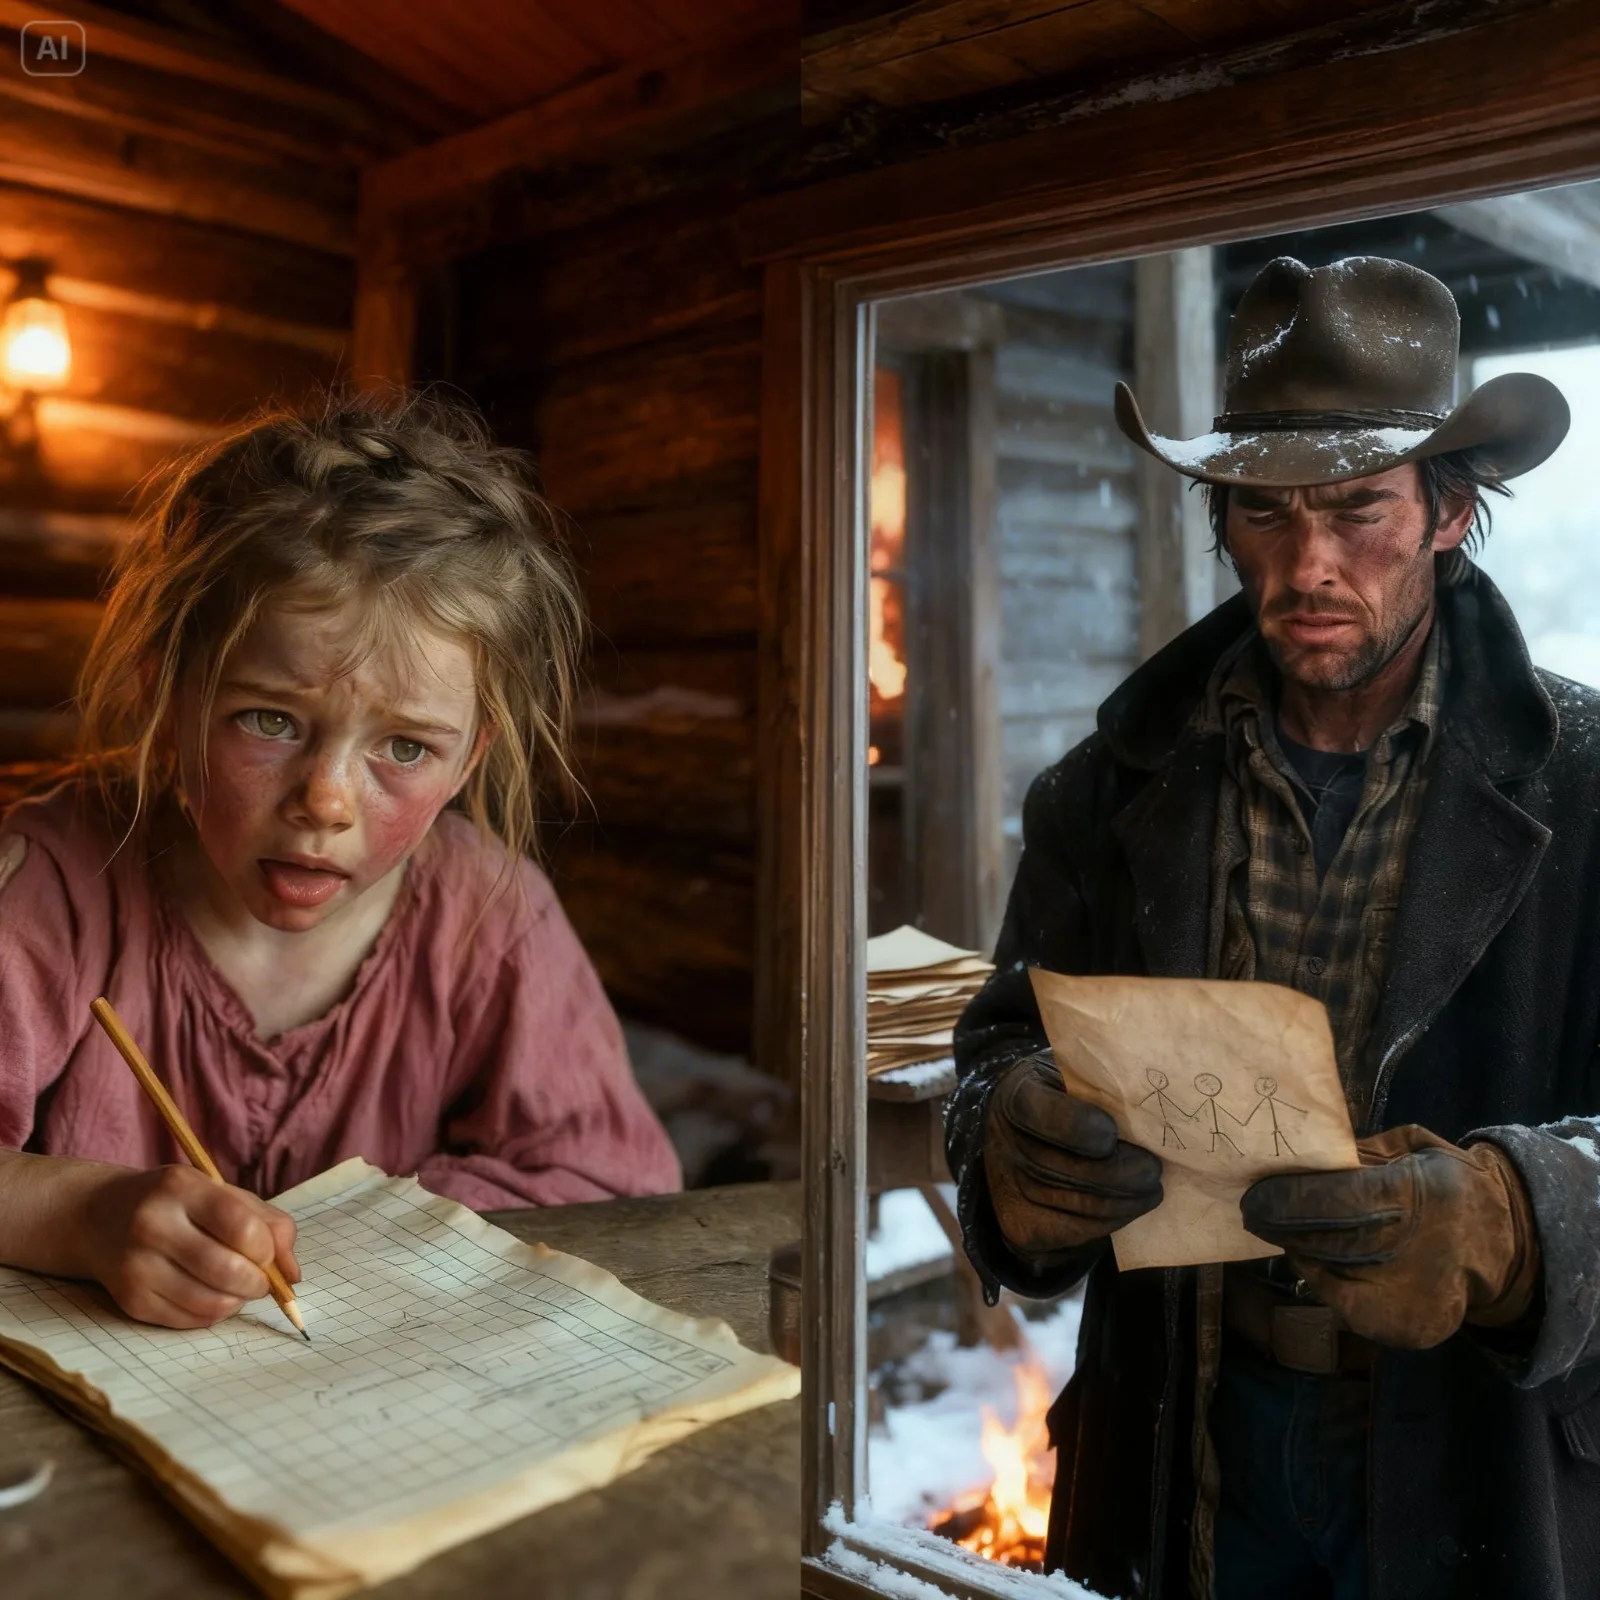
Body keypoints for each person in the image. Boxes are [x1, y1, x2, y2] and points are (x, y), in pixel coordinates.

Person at [948, 255, 1600, 1599]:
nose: (1307, 567)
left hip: (1474, 1448)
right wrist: (1010, 1139)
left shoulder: (1588, 789)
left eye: (1358, 510)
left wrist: (1514, 1218)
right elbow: (1000, 1053)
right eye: (1263, 511)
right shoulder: (1104, 788)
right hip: (1186, 1424)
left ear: (1449, 512)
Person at [0, 390, 680, 1335]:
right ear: (171, 699)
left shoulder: (490, 913)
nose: (326, 801)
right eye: (269, 721)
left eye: (405, 748)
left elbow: (612, 1179)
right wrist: (81, 1215)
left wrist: (377, 1232)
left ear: (468, 762)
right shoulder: (54, 887)